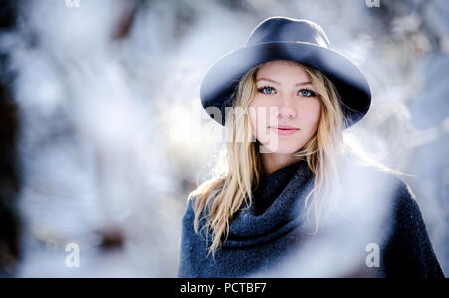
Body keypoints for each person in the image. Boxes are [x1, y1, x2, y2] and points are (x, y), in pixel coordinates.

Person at [178, 17, 445, 278]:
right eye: (268, 90)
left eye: (306, 92)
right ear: (244, 103)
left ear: (325, 107)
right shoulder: (205, 212)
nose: (285, 110)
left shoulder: (380, 199)